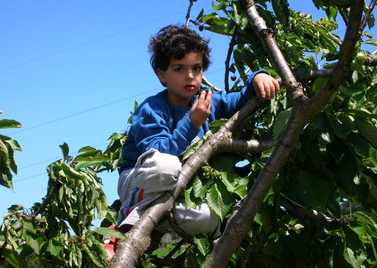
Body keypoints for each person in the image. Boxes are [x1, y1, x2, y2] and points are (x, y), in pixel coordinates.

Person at [105, 24, 280, 258]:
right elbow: (159, 152)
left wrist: (259, 76)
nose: (190, 76)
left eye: (196, 68)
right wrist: (193, 123)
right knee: (165, 166)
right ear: (161, 74)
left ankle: (154, 223)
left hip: (175, 191)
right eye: (179, 68)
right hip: (140, 182)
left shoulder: (208, 100)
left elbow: (238, 99)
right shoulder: (153, 109)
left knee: (207, 218)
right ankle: (124, 226)